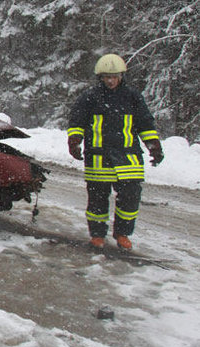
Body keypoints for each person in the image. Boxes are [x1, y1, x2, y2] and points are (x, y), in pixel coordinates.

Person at [67, 53, 163, 250]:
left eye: (114, 76)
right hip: (98, 158)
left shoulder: (132, 97)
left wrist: (153, 146)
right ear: (100, 78)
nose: (110, 81)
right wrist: (75, 141)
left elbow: (145, 123)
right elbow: (77, 122)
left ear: (121, 76)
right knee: (97, 200)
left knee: (130, 197)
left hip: (128, 158)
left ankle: (123, 234)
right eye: (106, 77)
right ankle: (97, 235)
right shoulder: (89, 98)